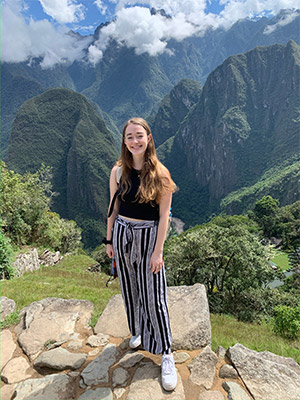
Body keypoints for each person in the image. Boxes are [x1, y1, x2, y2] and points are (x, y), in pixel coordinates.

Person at [104, 117, 177, 391]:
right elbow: (113, 207)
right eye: (129, 137)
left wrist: (158, 252)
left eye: (139, 135)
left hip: (149, 237)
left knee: (154, 295)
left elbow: (164, 217)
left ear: (148, 138)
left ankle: (166, 352)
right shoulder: (117, 172)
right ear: (124, 141)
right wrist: (109, 238)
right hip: (122, 234)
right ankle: (137, 332)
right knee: (130, 289)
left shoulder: (162, 175)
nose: (134, 141)